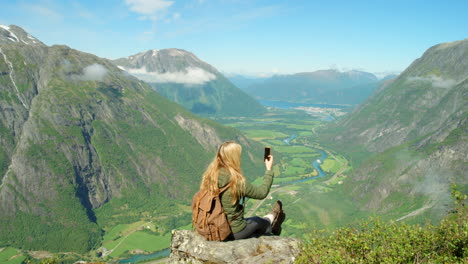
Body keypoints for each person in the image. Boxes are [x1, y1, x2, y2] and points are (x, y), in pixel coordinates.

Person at [199, 141, 285, 240]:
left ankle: (271, 217)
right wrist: (269, 169)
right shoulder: (235, 181)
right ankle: (272, 220)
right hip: (230, 232)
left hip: (208, 227)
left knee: (251, 221)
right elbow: (261, 193)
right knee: (258, 222)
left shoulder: (210, 175)